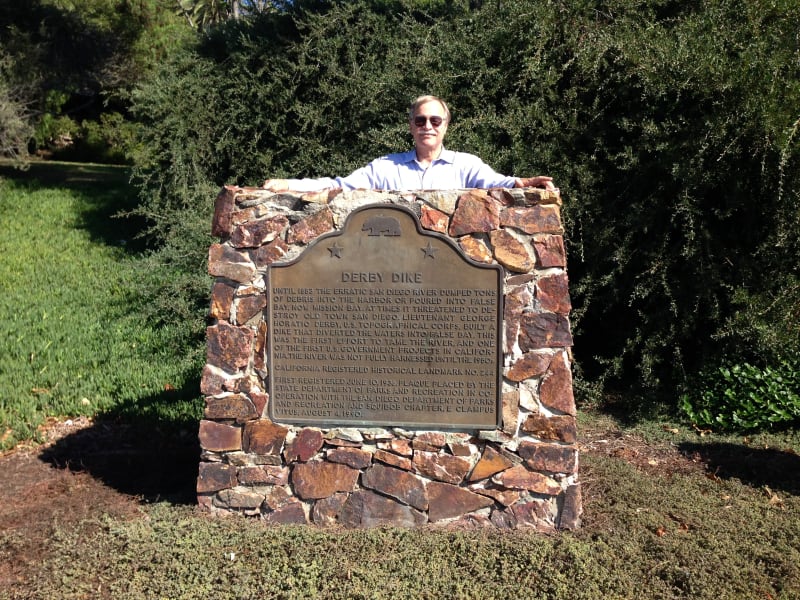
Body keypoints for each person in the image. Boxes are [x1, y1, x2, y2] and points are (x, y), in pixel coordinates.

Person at [262, 95, 556, 193]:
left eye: (435, 121)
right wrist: (290, 185)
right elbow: (340, 185)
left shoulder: (467, 165)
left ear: (445, 126)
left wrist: (526, 183)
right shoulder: (386, 167)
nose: (427, 126)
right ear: (411, 126)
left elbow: (498, 184)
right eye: (420, 120)